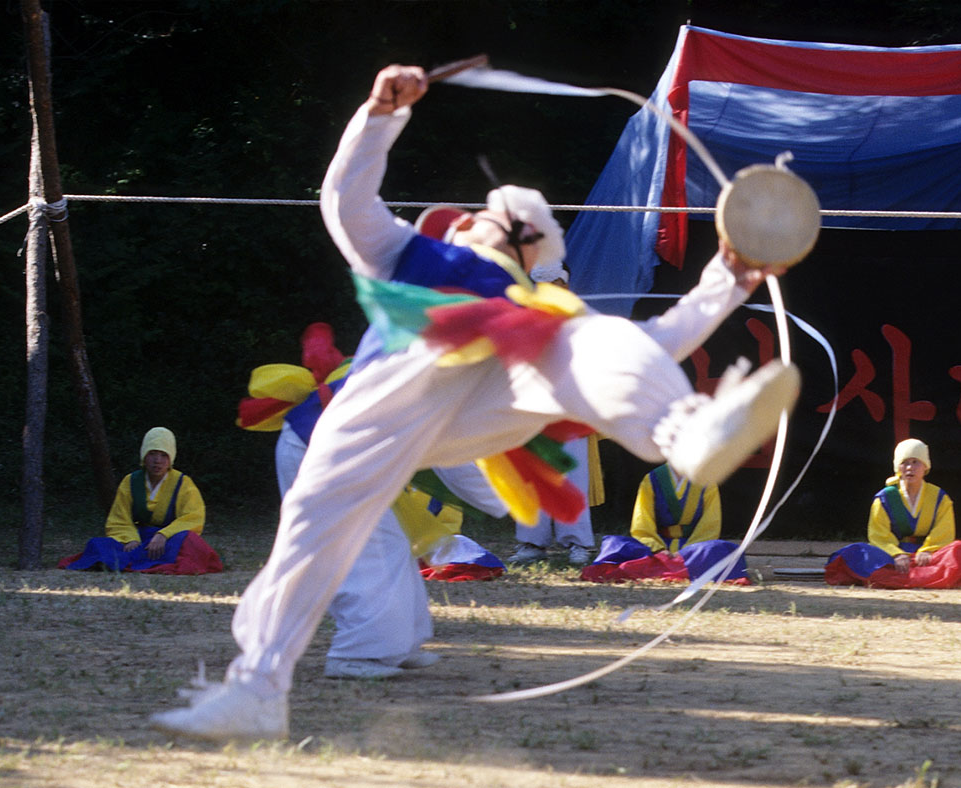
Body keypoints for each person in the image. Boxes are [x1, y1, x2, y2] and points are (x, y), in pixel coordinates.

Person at [150, 63, 801, 742]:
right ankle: (258, 686)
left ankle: (685, 430)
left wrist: (730, 275)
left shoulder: (537, 309)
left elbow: (654, 340)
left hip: (491, 394)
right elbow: (344, 201)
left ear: (527, 244)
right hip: (382, 407)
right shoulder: (411, 254)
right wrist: (378, 116)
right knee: (311, 535)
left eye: (498, 217)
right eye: (480, 215)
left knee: (594, 340)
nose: (477, 219)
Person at [241, 322, 506, 679]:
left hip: (335, 454)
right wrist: (514, 504)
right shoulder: (428, 380)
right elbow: (454, 464)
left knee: (392, 546)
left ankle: (397, 644)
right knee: (364, 550)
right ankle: (356, 654)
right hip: (315, 452)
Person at [505, 263, 600, 567]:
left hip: (571, 409)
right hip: (534, 407)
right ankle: (532, 542)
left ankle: (579, 543)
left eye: (556, 284)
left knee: (572, 479)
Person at [824, 439, 961, 589]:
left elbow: (944, 530)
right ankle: (932, 578)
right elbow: (879, 534)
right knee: (856, 552)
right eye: (904, 463)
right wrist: (896, 554)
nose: (909, 468)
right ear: (897, 467)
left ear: (925, 467)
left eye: (915, 462)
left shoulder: (939, 497)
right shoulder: (885, 498)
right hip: (892, 557)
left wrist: (927, 550)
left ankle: (896, 579)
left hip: (929, 557)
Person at [60, 427, 222, 574]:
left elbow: (192, 517)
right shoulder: (130, 481)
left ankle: (140, 560)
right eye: (152, 454)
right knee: (97, 544)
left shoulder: (183, 483)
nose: (157, 461)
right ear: (144, 455)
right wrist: (130, 538)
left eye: (163, 455)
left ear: (171, 458)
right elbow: (119, 518)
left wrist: (163, 535)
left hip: (169, 540)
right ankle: (139, 558)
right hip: (139, 538)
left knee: (191, 542)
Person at [580, 462, 747, 584]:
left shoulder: (706, 480)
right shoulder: (652, 479)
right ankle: (674, 567)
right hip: (657, 546)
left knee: (723, 550)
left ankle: (656, 568)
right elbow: (642, 522)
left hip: (694, 548)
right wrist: (659, 549)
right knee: (616, 544)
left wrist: (688, 550)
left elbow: (710, 523)